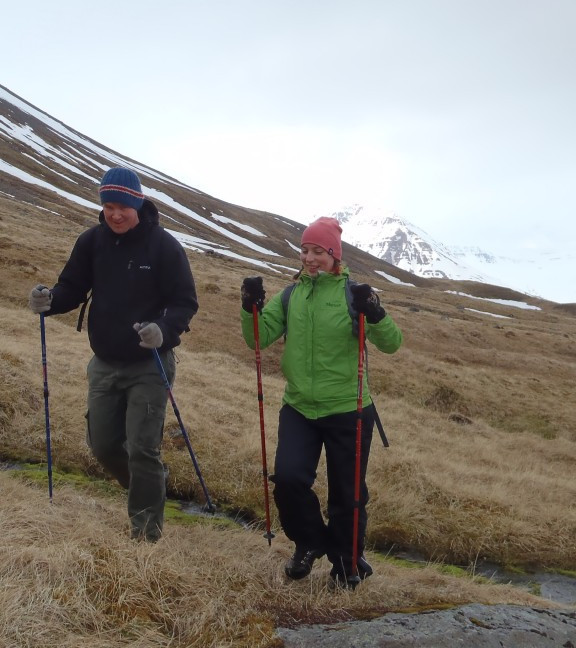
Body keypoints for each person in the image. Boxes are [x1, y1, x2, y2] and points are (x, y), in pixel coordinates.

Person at [28, 166, 198, 542]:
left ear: (137, 203)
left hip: (150, 364)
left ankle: (145, 532)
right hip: (104, 362)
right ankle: (150, 484)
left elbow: (184, 301)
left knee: (142, 447)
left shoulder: (164, 246)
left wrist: (163, 329)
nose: (115, 214)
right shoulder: (92, 242)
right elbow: (71, 286)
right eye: (108, 207)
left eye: (122, 206)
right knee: (103, 445)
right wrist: (50, 300)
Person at [240, 216, 402, 588]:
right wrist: (249, 308)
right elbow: (258, 339)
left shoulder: (353, 295)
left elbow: (392, 343)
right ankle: (310, 541)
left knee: (348, 494)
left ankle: (347, 563)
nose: (310, 258)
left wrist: (375, 312)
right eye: (305, 250)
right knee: (288, 480)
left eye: (318, 251)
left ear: (334, 255)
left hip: (349, 409)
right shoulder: (291, 295)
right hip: (298, 407)